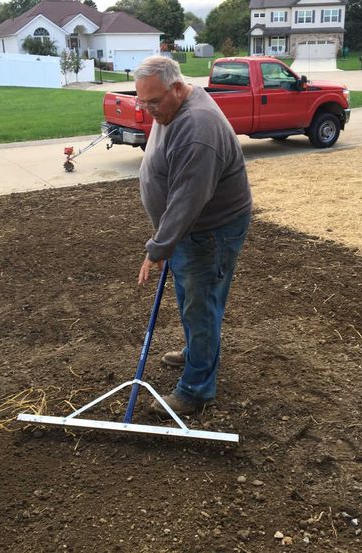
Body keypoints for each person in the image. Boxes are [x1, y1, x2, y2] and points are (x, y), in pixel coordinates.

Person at [135, 56, 252, 416]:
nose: (149, 109)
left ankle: (196, 389)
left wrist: (159, 247)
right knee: (191, 296)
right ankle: (197, 352)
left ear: (177, 88)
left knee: (201, 305)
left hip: (209, 230)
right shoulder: (171, 107)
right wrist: (169, 240)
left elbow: (188, 199)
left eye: (154, 101)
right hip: (190, 230)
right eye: (143, 101)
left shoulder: (198, 128)